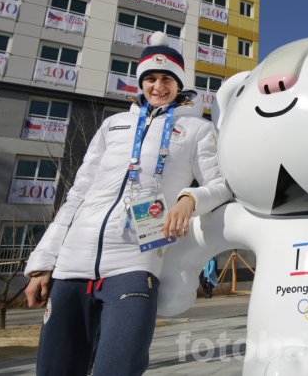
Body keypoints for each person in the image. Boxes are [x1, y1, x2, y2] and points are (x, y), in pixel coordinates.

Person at [23, 32, 232, 376]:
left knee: (118, 367)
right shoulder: (113, 125)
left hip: (135, 263)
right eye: (150, 78)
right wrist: (44, 264)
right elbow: (77, 195)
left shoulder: (196, 129)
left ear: (179, 84)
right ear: (141, 82)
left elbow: (223, 185)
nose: (158, 86)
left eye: (167, 79)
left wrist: (190, 198)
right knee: (55, 368)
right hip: (73, 265)